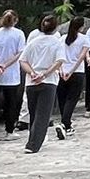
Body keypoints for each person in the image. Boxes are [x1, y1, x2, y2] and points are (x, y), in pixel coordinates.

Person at [20, 13, 67, 151]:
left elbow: (23, 61)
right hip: (49, 81)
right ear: (55, 28)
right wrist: (45, 74)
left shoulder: (33, 42)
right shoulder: (57, 43)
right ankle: (33, 144)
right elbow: (59, 61)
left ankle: (33, 139)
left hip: (31, 81)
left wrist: (32, 73)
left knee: (33, 113)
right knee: (43, 114)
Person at [0, 10, 26, 139]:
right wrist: (5, 65)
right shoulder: (19, 34)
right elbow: (19, 53)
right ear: (16, 20)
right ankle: (9, 131)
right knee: (11, 103)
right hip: (11, 75)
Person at [57, 16, 90, 135]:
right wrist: (71, 71)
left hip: (62, 72)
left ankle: (65, 123)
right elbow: (81, 58)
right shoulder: (84, 39)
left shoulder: (62, 39)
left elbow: (58, 56)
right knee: (72, 99)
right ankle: (65, 123)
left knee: (62, 99)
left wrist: (61, 70)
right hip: (76, 72)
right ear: (81, 27)